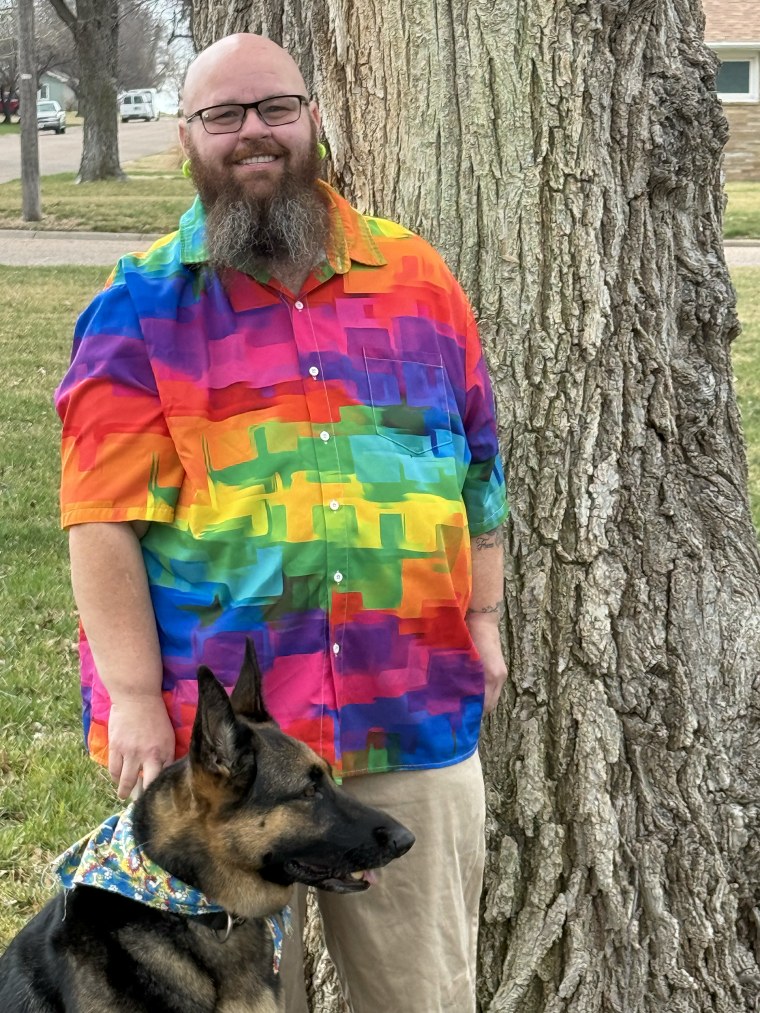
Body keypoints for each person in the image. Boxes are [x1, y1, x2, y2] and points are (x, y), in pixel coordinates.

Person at [54, 33, 509, 1013]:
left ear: (312, 119)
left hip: (409, 704)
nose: (252, 132)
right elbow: (99, 517)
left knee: (425, 992)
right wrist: (133, 694)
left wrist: (484, 618)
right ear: (188, 137)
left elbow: (476, 461)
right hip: (215, 756)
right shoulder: (138, 309)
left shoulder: (417, 279)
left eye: (274, 108)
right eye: (223, 115)